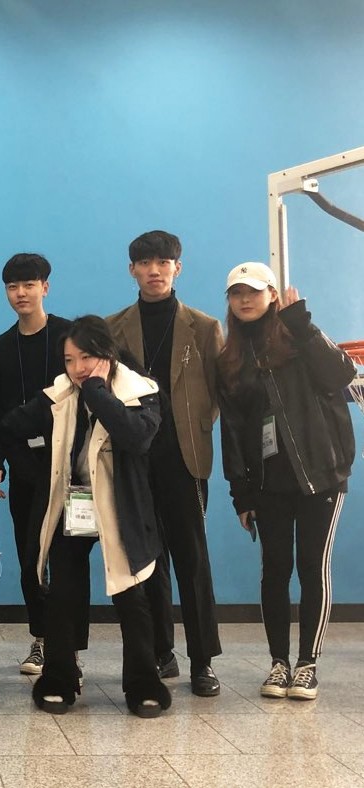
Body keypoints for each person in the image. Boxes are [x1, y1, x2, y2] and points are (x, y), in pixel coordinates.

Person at [0, 316, 171, 717]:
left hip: (122, 508)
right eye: (69, 360)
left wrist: (97, 390)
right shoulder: (59, 394)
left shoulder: (141, 392)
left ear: (107, 355)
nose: (77, 368)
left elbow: (135, 437)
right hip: (73, 505)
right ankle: (59, 677)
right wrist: (39, 473)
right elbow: (9, 428)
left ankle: (143, 682)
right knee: (63, 591)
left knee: (131, 593)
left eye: (86, 358)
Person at [217, 262, 355, 701]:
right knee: (274, 570)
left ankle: (307, 665)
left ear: (273, 295)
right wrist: (240, 493)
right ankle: (279, 664)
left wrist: (303, 323)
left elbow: (342, 374)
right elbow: (232, 431)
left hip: (321, 475)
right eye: (237, 293)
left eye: (254, 291)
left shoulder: (299, 335)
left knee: (313, 567)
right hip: (267, 484)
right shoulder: (230, 359)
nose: (245, 300)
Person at [107, 230, 222, 697]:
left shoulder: (205, 327)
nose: (154, 270)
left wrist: (191, 430)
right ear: (132, 270)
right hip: (134, 461)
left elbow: (216, 394)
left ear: (178, 267)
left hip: (183, 459)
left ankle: (202, 661)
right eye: (145, 262)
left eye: (163, 262)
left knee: (192, 560)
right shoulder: (113, 328)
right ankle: (160, 651)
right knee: (146, 561)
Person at [0, 252, 73, 675]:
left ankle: (67, 644)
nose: (21, 293)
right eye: (12, 286)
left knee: (67, 557)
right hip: (24, 462)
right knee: (30, 556)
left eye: (29, 284)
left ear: (45, 287)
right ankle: (40, 638)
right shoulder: (0, 348)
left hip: (70, 462)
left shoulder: (68, 336)